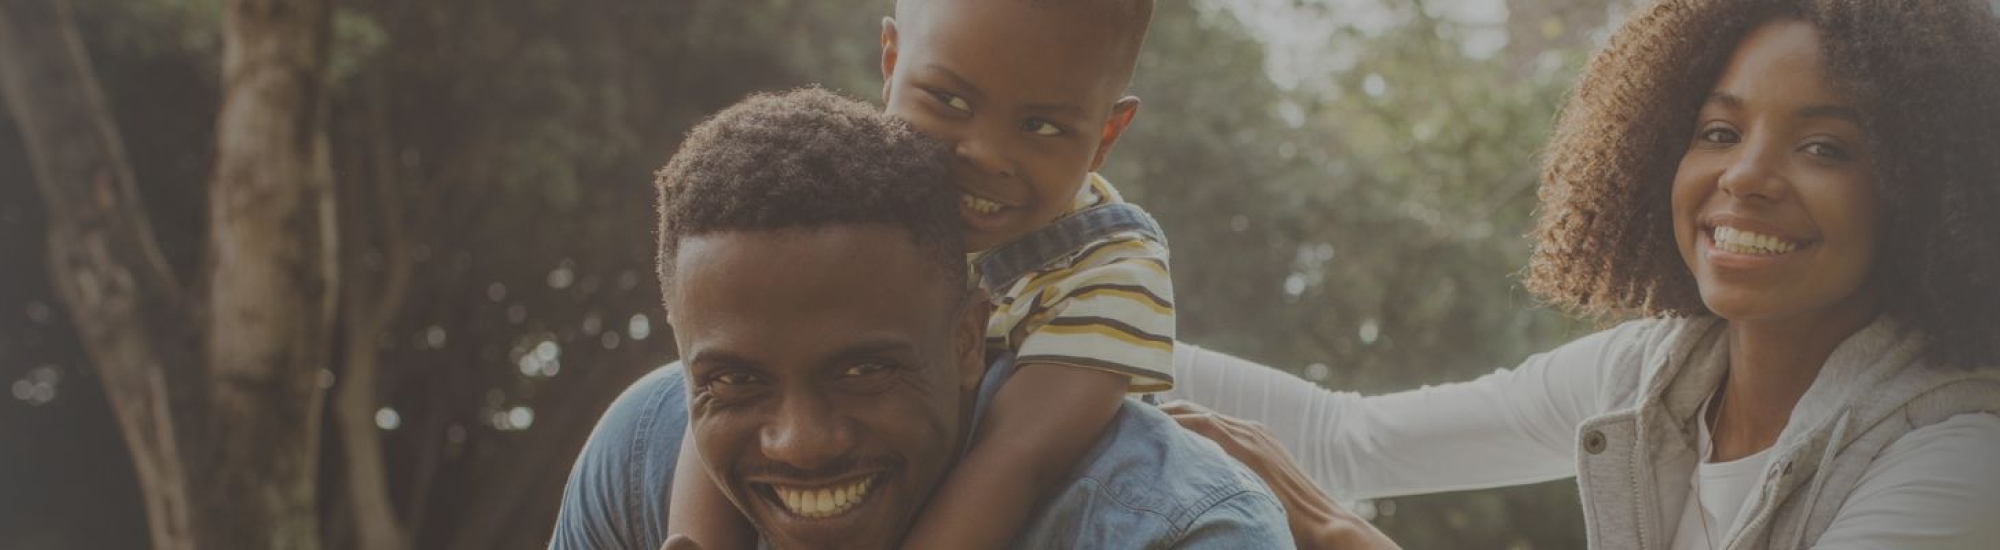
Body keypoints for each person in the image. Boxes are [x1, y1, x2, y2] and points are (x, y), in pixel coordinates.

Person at [1162, 0, 2000, 549]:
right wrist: (1075, 321)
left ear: (1926, 191)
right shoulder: (1651, 373)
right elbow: (1348, 440)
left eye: (1825, 148)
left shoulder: (1960, 460)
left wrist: (1341, 538)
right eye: (1717, 131)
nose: (1744, 176)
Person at [548, 88, 1291, 550]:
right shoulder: (640, 449)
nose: (801, 444)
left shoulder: (1180, 531)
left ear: (970, 338)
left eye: (863, 370)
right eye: (734, 381)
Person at [668, 1, 1184, 549]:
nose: (985, 154)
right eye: (950, 100)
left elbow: (1013, 459)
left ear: (1106, 134)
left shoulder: (1112, 271)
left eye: (1042, 126)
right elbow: (742, 392)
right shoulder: (855, 208)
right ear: (892, 62)